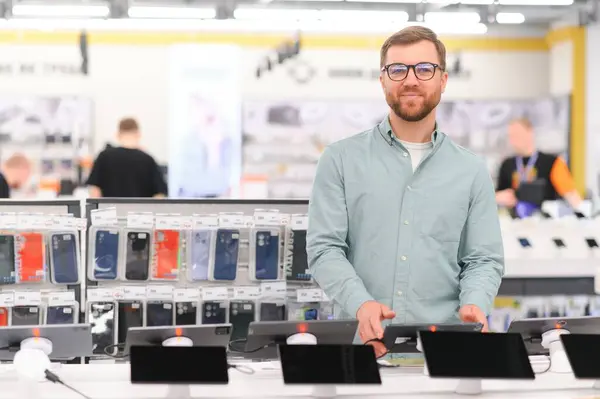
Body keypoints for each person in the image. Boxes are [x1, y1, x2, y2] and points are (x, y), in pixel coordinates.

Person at [306, 26, 504, 358]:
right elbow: (325, 250)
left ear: (443, 79)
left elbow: (483, 259)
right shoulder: (340, 160)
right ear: (383, 79)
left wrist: (475, 302)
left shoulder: (471, 170)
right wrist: (361, 303)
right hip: (361, 350)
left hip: (444, 352)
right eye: (398, 70)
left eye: (424, 69)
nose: (410, 79)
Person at [495, 118, 583, 211]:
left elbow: (572, 195)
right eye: (511, 136)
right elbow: (496, 196)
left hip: (545, 220)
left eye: (517, 135)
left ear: (530, 132)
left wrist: (581, 210)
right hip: (515, 220)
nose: (513, 141)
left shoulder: (553, 162)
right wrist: (499, 198)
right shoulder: (507, 164)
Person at [86, 118, 167, 198]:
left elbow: (94, 190)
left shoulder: (104, 157)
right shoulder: (148, 160)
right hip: (139, 210)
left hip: (111, 210)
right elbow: (160, 194)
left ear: (118, 135)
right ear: (138, 135)